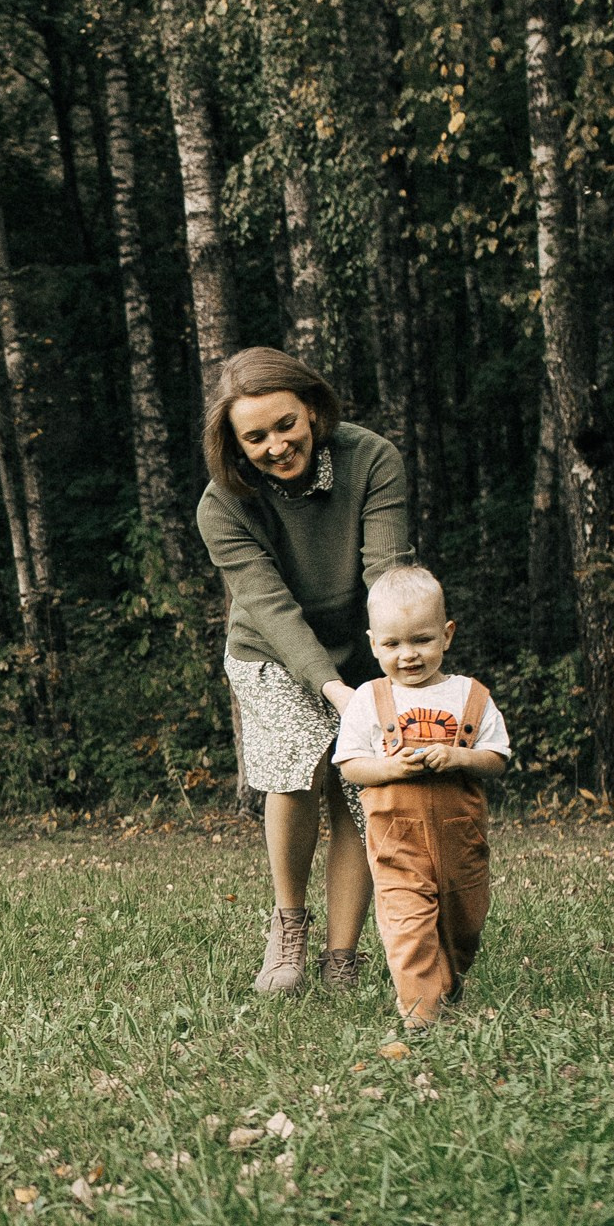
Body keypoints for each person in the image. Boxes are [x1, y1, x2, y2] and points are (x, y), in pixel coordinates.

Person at [197, 347, 413, 994]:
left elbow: (386, 570)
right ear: (235, 443)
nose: (275, 446)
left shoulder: (371, 458)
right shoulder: (222, 505)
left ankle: (341, 958)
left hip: (362, 642)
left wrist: (396, 671)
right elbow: (270, 608)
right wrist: (333, 690)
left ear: (313, 410)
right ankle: (289, 928)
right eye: (255, 436)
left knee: (360, 789)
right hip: (270, 653)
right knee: (299, 764)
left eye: (285, 425)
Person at [333, 565, 509, 1028]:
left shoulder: (471, 695)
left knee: (464, 921)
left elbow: (497, 758)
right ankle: (421, 1016)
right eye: (392, 644)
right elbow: (350, 766)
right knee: (407, 924)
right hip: (397, 840)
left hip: (460, 840)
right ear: (373, 644)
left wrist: (459, 758)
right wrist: (391, 768)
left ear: (447, 635)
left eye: (421, 640)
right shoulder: (369, 701)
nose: (407, 655)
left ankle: (447, 980)